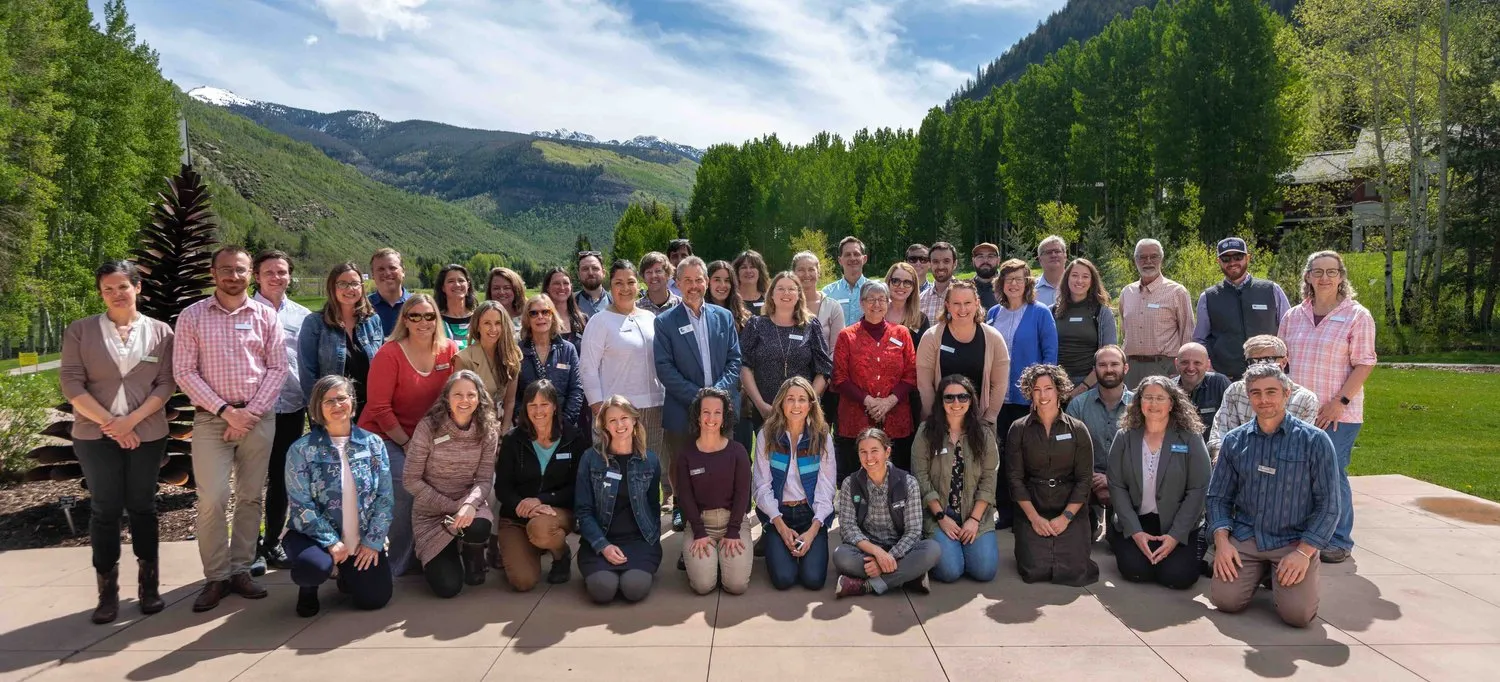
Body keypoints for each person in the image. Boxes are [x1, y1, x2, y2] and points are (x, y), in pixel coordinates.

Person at [60, 261, 175, 624]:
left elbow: (166, 383)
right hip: (95, 435)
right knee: (104, 510)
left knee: (143, 506)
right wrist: (112, 423)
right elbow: (72, 384)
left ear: (137, 288)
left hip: (147, 432)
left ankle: (149, 585)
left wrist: (132, 422)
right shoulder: (81, 331)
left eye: (122, 286)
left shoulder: (160, 332)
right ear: (100, 293)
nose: (115, 294)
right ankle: (107, 592)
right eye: (108, 289)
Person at [174, 246, 288, 611]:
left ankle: (240, 569)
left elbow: (277, 368)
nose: (233, 276)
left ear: (251, 273)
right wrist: (226, 412)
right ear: (213, 273)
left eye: (240, 270)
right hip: (211, 419)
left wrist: (250, 413)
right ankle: (216, 576)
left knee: (251, 496)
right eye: (226, 270)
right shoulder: (192, 316)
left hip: (257, 418)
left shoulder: (265, 316)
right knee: (213, 498)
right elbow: (184, 373)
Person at [1208, 363, 1338, 627]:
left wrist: (1304, 552)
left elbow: (1329, 505)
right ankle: (1261, 572)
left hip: (1293, 541)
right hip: (1247, 536)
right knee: (1226, 602)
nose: (1264, 399)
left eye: (1271, 392)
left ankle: (1290, 571)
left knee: (1297, 617)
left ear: (1286, 394)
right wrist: (1222, 542)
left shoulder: (1315, 441)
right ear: (1248, 396)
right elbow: (1218, 497)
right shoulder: (1234, 441)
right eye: (1255, 393)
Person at [1280, 250, 1377, 564]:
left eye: (1331, 272)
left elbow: (1364, 364)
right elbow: (1282, 362)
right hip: (1298, 412)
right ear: (1307, 276)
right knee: (1298, 476)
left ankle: (1338, 539)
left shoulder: (1356, 315)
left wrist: (1340, 402)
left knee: (1331, 474)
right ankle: (1306, 533)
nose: (1324, 278)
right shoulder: (1293, 316)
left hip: (1337, 414)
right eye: (1317, 271)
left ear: (1341, 277)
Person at [357, 293, 460, 577]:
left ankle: (435, 548)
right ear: (405, 319)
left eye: (429, 316)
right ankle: (401, 562)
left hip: (426, 437)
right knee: (406, 486)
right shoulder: (389, 353)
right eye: (415, 316)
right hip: (386, 436)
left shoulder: (449, 350)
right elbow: (378, 408)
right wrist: (406, 442)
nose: (423, 322)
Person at [283, 376, 394, 617]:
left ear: (352, 403)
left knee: (375, 599)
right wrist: (331, 542)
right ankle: (309, 587)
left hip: (361, 538)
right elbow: (300, 504)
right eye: (328, 401)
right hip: (314, 538)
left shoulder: (373, 444)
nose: (337, 405)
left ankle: (346, 573)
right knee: (311, 568)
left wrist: (373, 541)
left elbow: (385, 498)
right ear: (317, 407)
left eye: (342, 398)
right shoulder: (301, 450)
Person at [654, 256, 742, 535]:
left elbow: (735, 361)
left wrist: (716, 396)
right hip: (682, 409)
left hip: (722, 409)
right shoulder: (665, 322)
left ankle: (721, 515)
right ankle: (682, 507)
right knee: (683, 465)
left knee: (720, 467)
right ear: (677, 284)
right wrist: (700, 397)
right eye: (687, 280)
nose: (693, 286)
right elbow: (664, 368)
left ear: (706, 282)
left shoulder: (724, 317)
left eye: (698, 279)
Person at [1106, 376, 1211, 590]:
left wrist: (1174, 537)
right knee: (1135, 572)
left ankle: (1192, 554)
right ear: (1139, 402)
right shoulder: (1124, 437)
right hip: (1137, 520)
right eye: (1148, 397)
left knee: (1176, 577)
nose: (1153, 404)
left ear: (1172, 403)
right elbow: (1116, 486)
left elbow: (1198, 489)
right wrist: (1135, 531)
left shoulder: (1190, 438)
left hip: (1177, 522)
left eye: (1160, 398)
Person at [404, 370, 499, 597]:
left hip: (467, 507)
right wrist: (455, 507)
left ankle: (470, 551)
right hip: (432, 513)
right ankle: (446, 551)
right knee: (448, 588)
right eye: (458, 395)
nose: (464, 401)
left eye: (470, 395)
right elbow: (410, 480)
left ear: (479, 398)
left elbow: (485, 479)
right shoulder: (428, 427)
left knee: (479, 526)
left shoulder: (488, 430)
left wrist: (470, 504)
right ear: (447, 397)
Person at [1007, 364, 1098, 586]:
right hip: (1033, 506)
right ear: (1030, 393)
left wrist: (1066, 517)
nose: (1043, 395)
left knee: (1075, 571)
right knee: (1035, 570)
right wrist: (1034, 518)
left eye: (1048, 388)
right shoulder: (1018, 429)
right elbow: (1015, 479)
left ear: (1059, 390)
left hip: (1070, 507)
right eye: (1036, 390)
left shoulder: (1077, 429)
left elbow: (1085, 479)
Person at [250, 250, 312, 576]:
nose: (277, 277)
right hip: (252, 411)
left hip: (290, 408)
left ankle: (272, 542)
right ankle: (250, 548)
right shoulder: (243, 313)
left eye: (282, 272)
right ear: (256, 277)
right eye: (269, 272)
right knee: (249, 482)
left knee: (281, 481)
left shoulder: (302, 316)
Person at [495, 380, 587, 590]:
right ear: (525, 408)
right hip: (516, 515)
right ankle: (531, 546)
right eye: (532, 405)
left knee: (541, 528)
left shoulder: (573, 438)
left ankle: (560, 555)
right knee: (523, 582)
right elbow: (502, 487)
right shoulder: (513, 440)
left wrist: (542, 500)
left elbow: (578, 486)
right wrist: (524, 505)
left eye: (544, 404)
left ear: (555, 406)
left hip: (558, 512)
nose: (538, 411)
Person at [912, 376, 1001, 583]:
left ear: (971, 400)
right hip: (938, 514)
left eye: (963, 397)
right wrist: (941, 517)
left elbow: (989, 479)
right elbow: (921, 477)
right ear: (940, 401)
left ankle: (960, 546)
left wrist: (974, 520)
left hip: (974, 513)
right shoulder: (926, 433)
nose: (956, 403)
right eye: (949, 398)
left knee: (984, 571)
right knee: (950, 572)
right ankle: (937, 547)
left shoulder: (984, 434)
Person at [575, 396, 664, 603]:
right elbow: (584, 510)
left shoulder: (649, 460)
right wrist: (602, 545)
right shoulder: (590, 459)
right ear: (604, 426)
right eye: (612, 420)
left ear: (634, 420)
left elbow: (653, 505)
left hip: (639, 541)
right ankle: (599, 565)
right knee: (603, 591)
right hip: (600, 540)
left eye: (624, 417)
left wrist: (653, 537)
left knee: (633, 588)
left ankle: (639, 564)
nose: (619, 425)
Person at [833, 428, 941, 598]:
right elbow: (847, 528)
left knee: (932, 550)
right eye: (863, 452)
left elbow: (913, 532)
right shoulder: (850, 483)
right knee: (841, 556)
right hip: (867, 551)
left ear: (887, 452)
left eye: (874, 451)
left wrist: (888, 558)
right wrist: (877, 554)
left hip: (900, 550)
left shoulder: (908, 483)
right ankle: (909, 577)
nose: (869, 458)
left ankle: (866, 586)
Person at [752, 376, 837, 590]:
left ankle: (807, 544)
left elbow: (827, 488)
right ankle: (774, 540)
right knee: (784, 579)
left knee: (813, 580)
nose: (796, 405)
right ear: (781, 403)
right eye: (790, 399)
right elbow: (762, 487)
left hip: (810, 514)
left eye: (802, 399)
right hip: (780, 514)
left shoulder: (822, 436)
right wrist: (780, 526)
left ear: (810, 405)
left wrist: (813, 530)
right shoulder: (767, 435)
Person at [580, 260, 666, 460]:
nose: (625, 288)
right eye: (619, 283)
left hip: (654, 407)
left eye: (630, 282)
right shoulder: (599, 321)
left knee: (650, 465)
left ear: (638, 285)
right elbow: (588, 368)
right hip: (616, 412)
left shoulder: (650, 318)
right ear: (611, 286)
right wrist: (599, 408)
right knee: (615, 466)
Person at [832, 282, 917, 479]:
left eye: (881, 299)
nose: (876, 304)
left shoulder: (902, 333)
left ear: (888, 303)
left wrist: (888, 402)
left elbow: (911, 374)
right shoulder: (847, 336)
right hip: (856, 418)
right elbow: (839, 377)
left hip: (896, 417)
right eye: (871, 299)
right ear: (862, 303)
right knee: (857, 479)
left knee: (897, 478)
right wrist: (868, 401)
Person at [676, 388, 754, 595]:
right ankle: (710, 560)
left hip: (733, 521)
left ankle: (722, 559)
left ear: (724, 416)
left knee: (736, 585)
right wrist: (699, 532)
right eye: (706, 412)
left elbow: (742, 494)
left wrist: (733, 530)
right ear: (698, 416)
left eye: (717, 412)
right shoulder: (686, 454)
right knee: (703, 586)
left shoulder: (738, 451)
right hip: (700, 524)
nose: (711, 418)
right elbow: (685, 497)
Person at [738, 272, 833, 436]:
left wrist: (806, 402)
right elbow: (744, 366)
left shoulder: (811, 325)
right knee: (769, 458)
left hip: (803, 412)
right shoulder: (756, 325)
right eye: (780, 288)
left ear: (799, 295)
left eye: (791, 289)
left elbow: (824, 369)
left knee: (803, 458)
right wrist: (760, 405)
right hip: (766, 410)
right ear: (772, 294)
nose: (786, 293)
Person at [1207, 335, 1323, 459]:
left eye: (1268, 360)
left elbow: (1300, 445)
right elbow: (1220, 434)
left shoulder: (1305, 399)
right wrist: (1221, 462)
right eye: (1254, 361)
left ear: (1284, 362)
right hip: (1238, 462)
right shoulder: (1235, 391)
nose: (1261, 366)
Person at [1194, 237, 1292, 380]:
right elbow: (1200, 340)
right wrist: (1212, 370)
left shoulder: (1271, 290)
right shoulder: (1208, 297)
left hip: (1270, 375)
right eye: (1226, 258)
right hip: (1226, 378)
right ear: (1219, 262)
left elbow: (1289, 330)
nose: (1232, 262)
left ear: (1247, 258)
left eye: (1238, 257)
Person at [915, 280, 1010, 428]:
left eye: (967, 303)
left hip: (980, 422)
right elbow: (924, 384)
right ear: (947, 305)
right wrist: (934, 417)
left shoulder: (993, 338)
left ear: (976, 303)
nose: (962, 309)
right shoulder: (932, 337)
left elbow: (999, 384)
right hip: (940, 422)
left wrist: (988, 418)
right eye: (956, 303)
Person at [1065, 345, 1134, 541]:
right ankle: (1090, 516)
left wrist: (1112, 479)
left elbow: (1146, 454)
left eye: (1114, 364)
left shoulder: (1140, 405)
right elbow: (1069, 450)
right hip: (1086, 480)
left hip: (1128, 482)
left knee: (1118, 541)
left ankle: (1116, 518)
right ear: (1094, 371)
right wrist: (1091, 476)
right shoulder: (1078, 405)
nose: (1109, 369)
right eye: (1102, 365)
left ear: (1125, 368)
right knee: (1080, 538)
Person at [984, 258, 1059, 437]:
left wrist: (1041, 392)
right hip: (997, 396)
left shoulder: (1041, 312)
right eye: (1008, 279)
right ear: (1001, 283)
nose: (1014, 284)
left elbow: (1050, 355)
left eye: (1019, 279)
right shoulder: (993, 313)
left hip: (1026, 397)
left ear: (1028, 283)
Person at [299, 262, 384, 416]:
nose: (349, 289)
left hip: (369, 410)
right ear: (332, 287)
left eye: (354, 284)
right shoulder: (314, 323)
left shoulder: (373, 321)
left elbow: (382, 366)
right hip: (333, 410)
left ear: (362, 287)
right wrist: (319, 411)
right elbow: (307, 373)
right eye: (342, 284)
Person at [1119, 239, 1194, 388]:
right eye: (1142, 257)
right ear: (1135, 260)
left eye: (1153, 256)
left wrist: (1184, 368)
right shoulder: (1127, 292)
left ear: (1162, 259)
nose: (1148, 261)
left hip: (1165, 368)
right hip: (1131, 369)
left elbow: (1188, 335)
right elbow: (1124, 331)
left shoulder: (1177, 292)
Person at [510, 294, 586, 435]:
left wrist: (564, 422)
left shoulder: (568, 349)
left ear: (553, 315)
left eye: (545, 312)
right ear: (527, 319)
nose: (540, 316)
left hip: (563, 427)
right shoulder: (517, 352)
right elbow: (513, 394)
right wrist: (525, 422)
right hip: (528, 429)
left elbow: (576, 389)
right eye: (534, 313)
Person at [1053, 258, 1117, 396]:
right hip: (1057, 385)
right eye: (1075, 275)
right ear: (1067, 278)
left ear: (1092, 281)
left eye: (1085, 276)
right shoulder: (1052, 312)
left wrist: (1083, 387)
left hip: (1091, 386)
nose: (1079, 281)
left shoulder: (1102, 313)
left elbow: (1109, 356)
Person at [455, 300, 521, 425]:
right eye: (487, 323)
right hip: (473, 427)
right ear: (478, 326)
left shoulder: (512, 355)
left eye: (498, 323)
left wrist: (505, 432)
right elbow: (460, 405)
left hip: (502, 424)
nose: (493, 329)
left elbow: (510, 401)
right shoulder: (464, 359)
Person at [795, 250, 846, 352]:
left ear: (818, 273)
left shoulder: (833, 307)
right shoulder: (785, 305)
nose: (806, 274)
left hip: (826, 366)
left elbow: (837, 349)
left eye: (811, 269)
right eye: (801, 270)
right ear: (793, 273)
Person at [1174, 342, 1229, 431]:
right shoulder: (1168, 389)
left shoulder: (1220, 383)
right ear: (1176, 363)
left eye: (1197, 363)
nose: (1191, 368)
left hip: (1213, 444)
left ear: (1208, 365)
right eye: (1185, 362)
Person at [822, 236, 871, 326]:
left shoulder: (875, 290)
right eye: (847, 254)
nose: (852, 258)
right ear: (840, 260)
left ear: (864, 259)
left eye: (856, 254)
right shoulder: (828, 293)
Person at [368, 248, 412, 336]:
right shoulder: (363, 307)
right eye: (381, 269)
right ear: (373, 274)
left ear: (403, 271)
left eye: (392, 268)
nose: (387, 273)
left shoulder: (417, 305)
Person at [435, 264, 477, 350]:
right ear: (443, 287)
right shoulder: (435, 321)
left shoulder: (480, 318)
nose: (457, 285)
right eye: (451, 281)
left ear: (468, 285)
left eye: (461, 280)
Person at [543, 267, 587, 347]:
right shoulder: (540, 320)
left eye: (566, 283)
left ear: (571, 287)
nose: (562, 287)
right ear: (547, 288)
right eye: (556, 283)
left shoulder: (583, 320)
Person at [885, 261, 929, 341]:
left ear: (913, 287)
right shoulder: (876, 313)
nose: (901, 286)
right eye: (896, 281)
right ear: (888, 283)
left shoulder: (921, 320)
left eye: (907, 282)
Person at [706, 259, 752, 331]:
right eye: (717, 280)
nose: (723, 285)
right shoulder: (700, 315)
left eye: (727, 280)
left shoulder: (743, 316)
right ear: (707, 282)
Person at [918, 242, 959, 322]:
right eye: (935, 261)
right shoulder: (921, 299)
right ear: (930, 264)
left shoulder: (966, 296)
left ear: (955, 264)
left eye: (946, 261)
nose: (941, 266)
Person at [636, 251, 681, 315]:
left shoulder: (682, 306)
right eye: (649, 272)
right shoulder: (635, 309)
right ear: (643, 277)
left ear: (667, 274)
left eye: (658, 271)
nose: (653, 275)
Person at [485, 266, 527, 332]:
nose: (502, 292)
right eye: (496, 288)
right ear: (490, 291)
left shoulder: (530, 315)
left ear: (516, 290)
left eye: (507, 288)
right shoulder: (483, 317)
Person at [574, 250, 612, 319]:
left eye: (595, 268)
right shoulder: (570, 303)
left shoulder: (616, 302)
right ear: (578, 274)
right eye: (585, 269)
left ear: (603, 273)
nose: (590, 273)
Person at [733, 249, 771, 316]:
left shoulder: (769, 300)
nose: (748, 271)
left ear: (760, 271)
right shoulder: (731, 299)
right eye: (744, 267)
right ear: (737, 272)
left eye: (753, 267)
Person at [1034, 235, 1068, 307]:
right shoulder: (1030, 289)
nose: (1053, 255)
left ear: (1065, 256)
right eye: (1048, 252)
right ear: (1040, 260)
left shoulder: (1078, 286)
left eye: (1057, 251)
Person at [969, 242, 1003, 311]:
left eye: (990, 256)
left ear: (998, 260)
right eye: (980, 256)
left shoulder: (1008, 286)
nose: (985, 260)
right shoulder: (967, 288)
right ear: (973, 261)